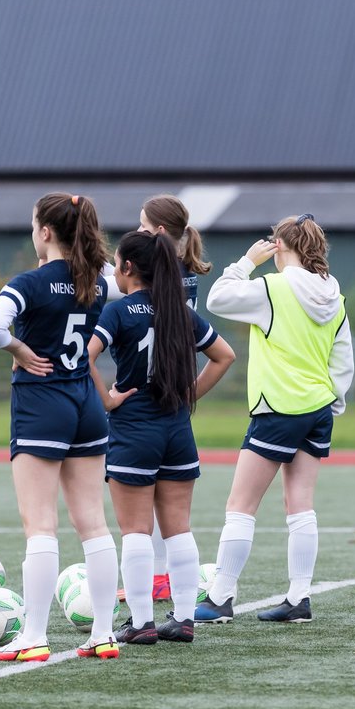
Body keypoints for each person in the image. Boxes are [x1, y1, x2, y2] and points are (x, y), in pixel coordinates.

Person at [0, 192, 121, 662]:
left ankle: (34, 636)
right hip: (86, 404)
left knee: (40, 524)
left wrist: (18, 350)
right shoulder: (98, 282)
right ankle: (104, 634)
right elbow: (134, 291)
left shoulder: (32, 282)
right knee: (94, 524)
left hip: (43, 404)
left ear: (44, 233)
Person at [195, 214, 354, 624]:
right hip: (318, 408)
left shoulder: (273, 287)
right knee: (300, 505)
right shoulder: (334, 296)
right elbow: (343, 360)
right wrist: (332, 402)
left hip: (278, 406)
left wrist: (247, 262)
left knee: (241, 505)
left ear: (281, 245)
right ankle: (299, 598)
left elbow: (218, 300)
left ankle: (220, 598)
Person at [87, 230, 235, 644]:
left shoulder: (119, 313)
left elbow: (85, 355)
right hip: (176, 429)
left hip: (134, 430)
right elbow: (225, 356)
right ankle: (184, 619)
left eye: (115, 264)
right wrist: (190, 394)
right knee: (178, 530)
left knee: (135, 531)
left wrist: (107, 401)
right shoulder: (179, 311)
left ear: (129, 268)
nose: (113, 272)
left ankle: (140, 623)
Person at [131, 195, 214, 602]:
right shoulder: (186, 270)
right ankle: (166, 580)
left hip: (152, 394)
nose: (139, 233)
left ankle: (158, 579)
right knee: (172, 498)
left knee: (150, 496)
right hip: (177, 392)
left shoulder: (163, 273)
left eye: (144, 227)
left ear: (160, 233)